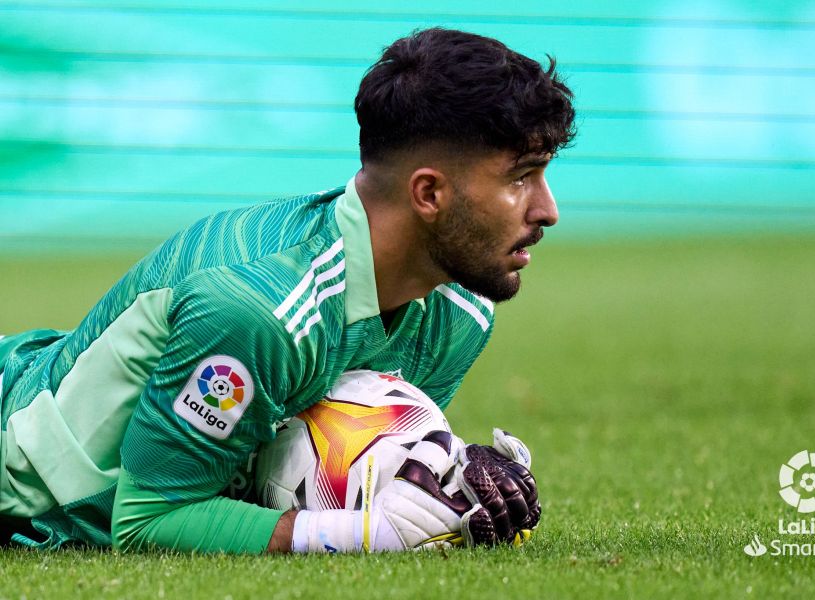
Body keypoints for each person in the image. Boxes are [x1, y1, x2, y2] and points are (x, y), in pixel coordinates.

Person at [0, 27, 575, 553]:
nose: (547, 210)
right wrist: (363, 534)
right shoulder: (258, 312)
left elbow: (337, 453)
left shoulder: (460, 308)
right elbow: (147, 518)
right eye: (520, 178)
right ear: (428, 194)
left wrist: (452, 474)